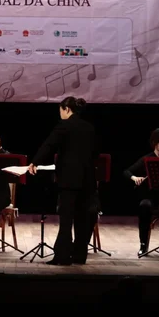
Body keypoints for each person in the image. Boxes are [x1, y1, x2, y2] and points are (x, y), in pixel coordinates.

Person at [28, 97, 98, 265]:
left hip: (68, 181)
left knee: (66, 220)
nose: (60, 114)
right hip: (87, 180)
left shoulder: (64, 126)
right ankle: (80, 256)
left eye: (60, 110)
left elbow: (49, 145)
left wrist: (35, 162)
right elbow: (95, 153)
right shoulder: (89, 127)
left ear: (66, 109)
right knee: (83, 219)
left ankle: (63, 256)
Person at [124, 128, 159, 256]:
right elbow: (127, 171)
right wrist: (135, 178)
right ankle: (143, 245)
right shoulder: (147, 158)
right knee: (144, 206)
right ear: (154, 142)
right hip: (149, 197)